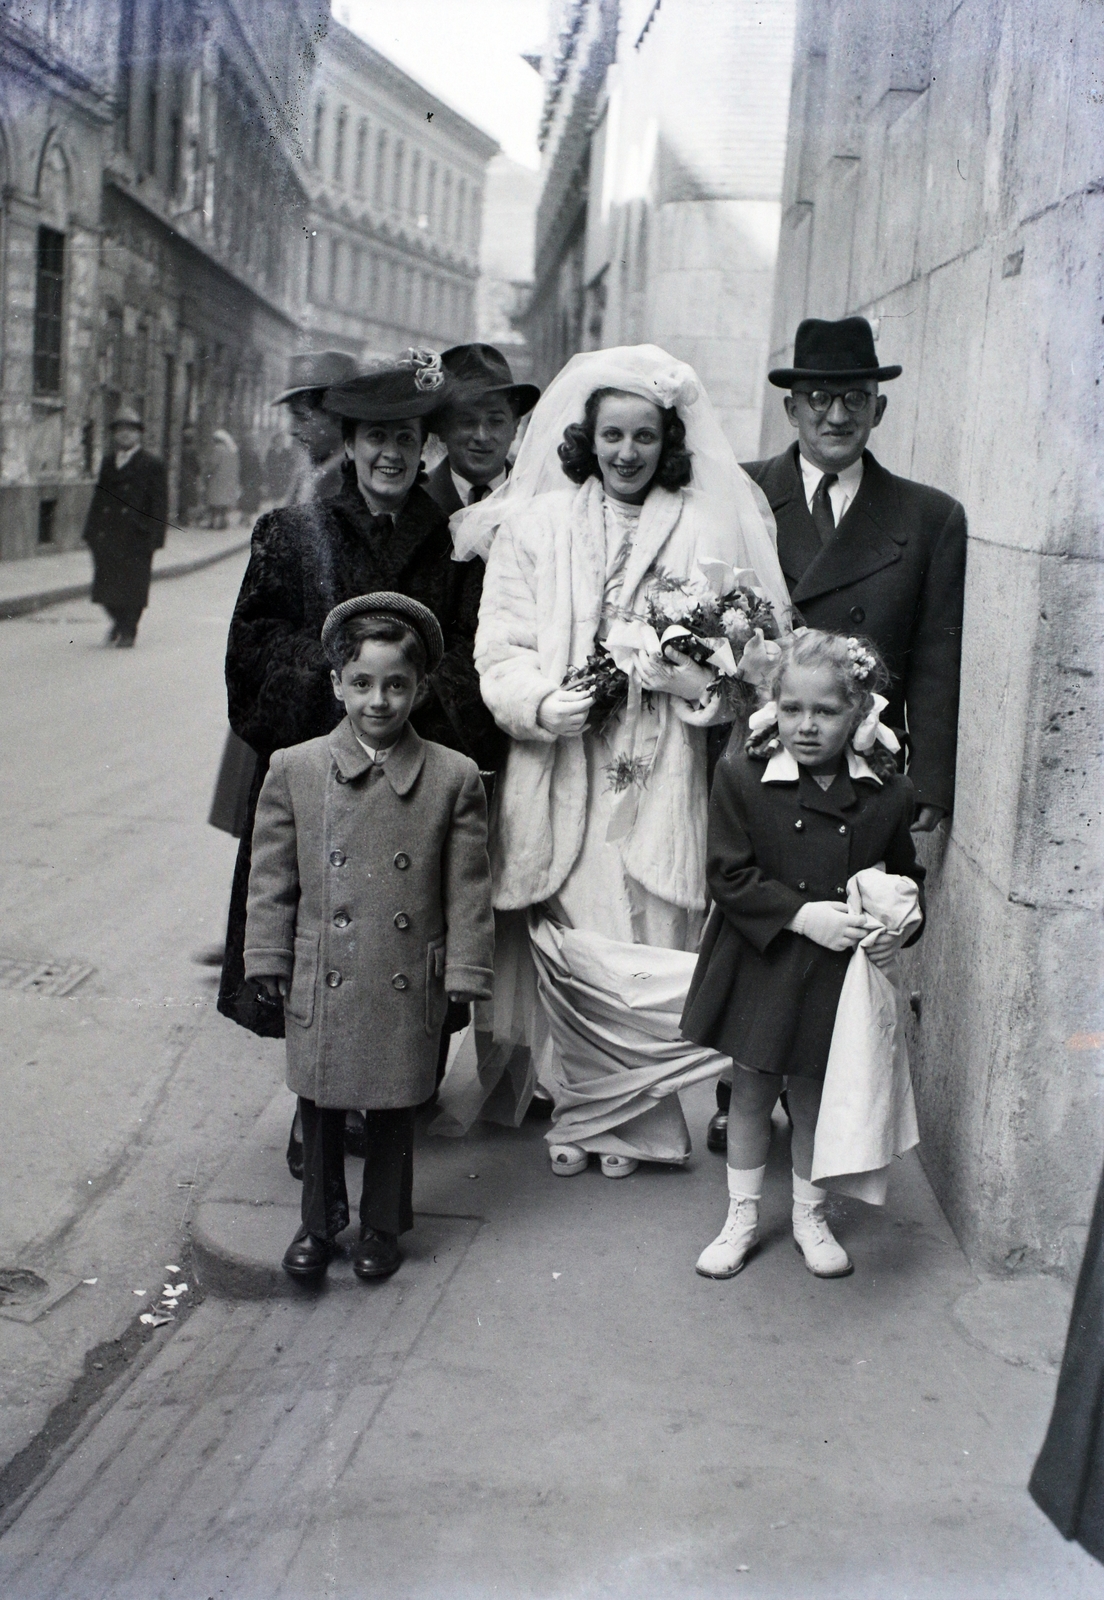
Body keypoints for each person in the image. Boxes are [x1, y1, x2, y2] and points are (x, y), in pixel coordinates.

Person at [469, 345, 792, 1177]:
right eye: (611, 435)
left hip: (660, 768)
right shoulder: (534, 527)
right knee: (576, 944)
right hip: (563, 766)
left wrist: (694, 683)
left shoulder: (703, 526)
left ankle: (641, 1124)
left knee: (647, 938)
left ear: (668, 441)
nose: (626, 453)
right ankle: (581, 1117)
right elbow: (497, 649)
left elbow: (749, 672)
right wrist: (542, 704)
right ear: (586, 438)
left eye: (644, 437)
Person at [218, 350, 504, 1171]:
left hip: (416, 791)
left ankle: (395, 1099)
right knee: (317, 952)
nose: (391, 454)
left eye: (408, 438)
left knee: (405, 955)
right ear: (348, 441)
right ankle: (319, 1104)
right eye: (376, 436)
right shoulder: (293, 534)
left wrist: (408, 702)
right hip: (321, 795)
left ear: (427, 447)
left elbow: (476, 666)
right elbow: (250, 666)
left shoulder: (457, 548)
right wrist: (344, 681)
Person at [706, 314, 967, 1155]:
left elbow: (936, 655)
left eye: (853, 397)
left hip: (862, 759)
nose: (835, 414)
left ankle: (820, 1095)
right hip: (760, 752)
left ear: (878, 408)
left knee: (835, 934)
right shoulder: (741, 494)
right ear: (792, 409)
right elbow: (709, 627)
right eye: (818, 397)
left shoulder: (928, 517)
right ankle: (739, 1087)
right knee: (757, 915)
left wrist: (929, 785)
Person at [245, 594, 494, 1282]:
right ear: (336, 684)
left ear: (419, 687)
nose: (378, 701)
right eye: (361, 683)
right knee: (320, 1106)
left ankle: (382, 1226)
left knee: (392, 1110)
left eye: (395, 685)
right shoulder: (294, 769)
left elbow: (468, 888)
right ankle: (318, 1225)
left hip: (404, 969)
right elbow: (271, 877)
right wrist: (266, 957)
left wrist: (466, 973)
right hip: (326, 967)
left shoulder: (452, 777)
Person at [682, 629, 925, 1280]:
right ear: (774, 707)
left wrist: (901, 921)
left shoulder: (885, 793)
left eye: (826, 711)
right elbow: (727, 875)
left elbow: (903, 875)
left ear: (859, 712)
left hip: (833, 973)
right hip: (761, 957)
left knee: (816, 1095)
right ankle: (740, 1213)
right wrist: (798, 914)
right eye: (792, 709)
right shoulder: (744, 775)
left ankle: (808, 1214)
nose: (808, 727)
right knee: (753, 1090)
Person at [82, 403, 168, 648]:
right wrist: (90, 531)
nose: (125, 434)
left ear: (139, 433)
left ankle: (129, 630)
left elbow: (159, 503)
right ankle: (118, 621)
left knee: (133, 586)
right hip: (108, 533)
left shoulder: (152, 464)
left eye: (130, 430)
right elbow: (100, 498)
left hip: (137, 535)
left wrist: (156, 537)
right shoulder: (109, 462)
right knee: (106, 585)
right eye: (120, 430)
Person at [423, 343, 539, 517]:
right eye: (467, 421)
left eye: (496, 421)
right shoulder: (416, 500)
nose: (482, 436)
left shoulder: (536, 499)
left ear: (515, 427)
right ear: (442, 428)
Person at [274, 350, 360, 505]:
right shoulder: (313, 470)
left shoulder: (351, 484)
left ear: (339, 415)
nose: (291, 430)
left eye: (301, 417)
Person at [206, 428, 240, 529]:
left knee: (214, 502)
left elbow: (213, 464)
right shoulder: (232, 449)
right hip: (229, 480)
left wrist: (208, 474)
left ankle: (213, 522)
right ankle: (223, 522)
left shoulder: (218, 449)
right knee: (224, 503)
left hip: (217, 480)